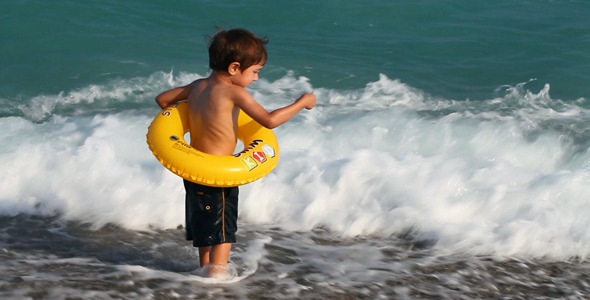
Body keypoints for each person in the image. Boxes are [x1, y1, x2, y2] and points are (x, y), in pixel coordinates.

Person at [155, 28, 316, 278]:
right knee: (223, 231)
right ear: (234, 68)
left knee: (206, 229)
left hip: (193, 171)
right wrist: (301, 103)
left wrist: (197, 111)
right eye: (254, 72)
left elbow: (163, 99)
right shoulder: (234, 92)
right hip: (218, 174)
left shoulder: (197, 86)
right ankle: (216, 279)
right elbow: (270, 121)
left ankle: (203, 274)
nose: (256, 79)